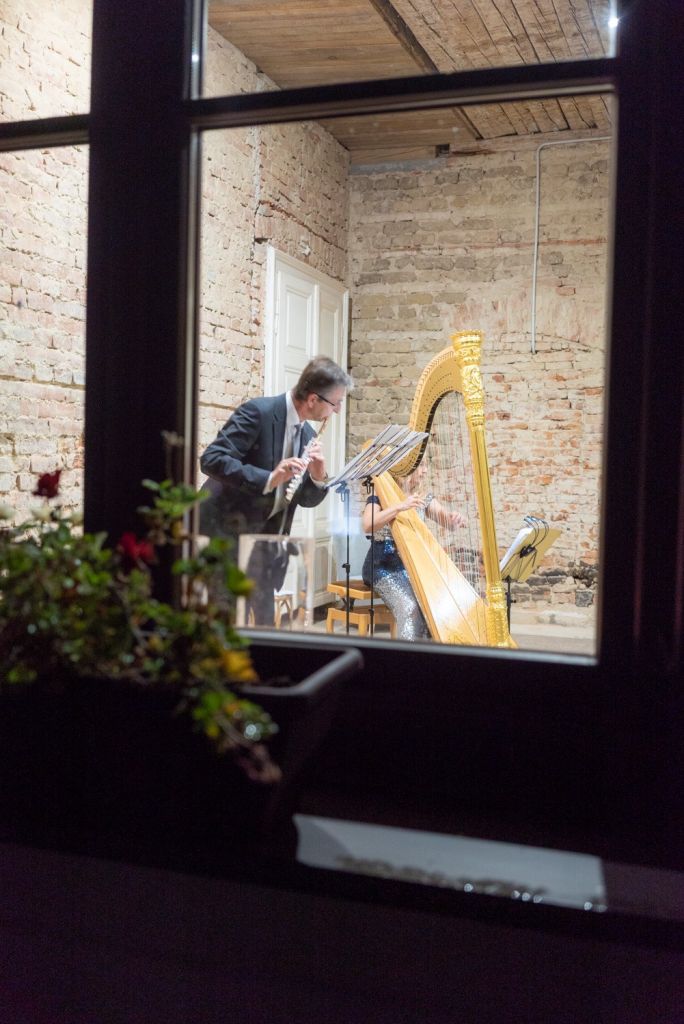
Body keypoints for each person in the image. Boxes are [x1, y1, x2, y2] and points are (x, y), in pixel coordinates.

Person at [199, 356, 353, 623]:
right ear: (313, 399)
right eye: (335, 402)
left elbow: (305, 500)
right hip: (226, 537)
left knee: (266, 627)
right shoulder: (259, 412)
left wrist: (318, 476)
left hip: (265, 549)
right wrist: (269, 478)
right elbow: (211, 459)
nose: (338, 410)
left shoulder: (307, 435)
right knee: (224, 626)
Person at [361, 464, 465, 641]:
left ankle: (426, 653)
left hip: (413, 567)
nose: (425, 470)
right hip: (382, 565)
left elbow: (447, 521)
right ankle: (406, 655)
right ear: (407, 467)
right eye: (421, 465)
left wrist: (454, 519)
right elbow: (367, 525)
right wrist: (400, 506)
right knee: (410, 608)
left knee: (435, 606)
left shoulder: (422, 497)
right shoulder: (381, 493)